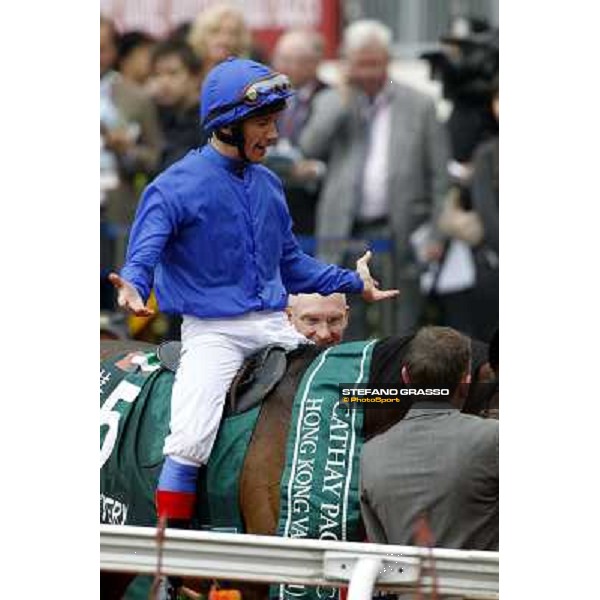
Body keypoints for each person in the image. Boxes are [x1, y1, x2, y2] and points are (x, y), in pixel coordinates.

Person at [109, 57, 399, 534]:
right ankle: (169, 563)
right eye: (263, 123)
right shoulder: (173, 186)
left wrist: (353, 282)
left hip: (275, 323)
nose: (273, 134)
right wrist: (134, 287)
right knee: (189, 436)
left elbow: (292, 266)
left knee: (337, 394)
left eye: (273, 122)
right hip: (213, 333)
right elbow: (141, 259)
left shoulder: (268, 182)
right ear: (228, 126)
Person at [299, 20, 450, 339]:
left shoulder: (420, 105)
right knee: (342, 323)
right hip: (342, 233)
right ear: (346, 63)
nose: (368, 72)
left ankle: (393, 389)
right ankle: (346, 389)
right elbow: (309, 148)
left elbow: (440, 175)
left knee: (399, 326)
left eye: (375, 63)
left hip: (400, 231)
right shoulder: (332, 100)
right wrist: (341, 99)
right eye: (360, 64)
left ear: (388, 60)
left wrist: (437, 232)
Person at [360, 326, 498, 550]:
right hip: (479, 584)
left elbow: (382, 556)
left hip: (400, 582)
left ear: (405, 377)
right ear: (466, 381)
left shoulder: (369, 454)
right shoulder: (493, 438)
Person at [100, 15, 163, 277]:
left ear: (114, 51)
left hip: (117, 208)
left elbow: (155, 156)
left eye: (100, 48)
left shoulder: (136, 97)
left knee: (114, 293)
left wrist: (125, 148)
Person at [265, 29, 329, 236]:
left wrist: (316, 170)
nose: (286, 67)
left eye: (297, 61)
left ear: (315, 63)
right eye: (282, 59)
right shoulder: (263, 95)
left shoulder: (332, 97)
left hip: (311, 205)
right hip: (269, 199)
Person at [148, 37, 207, 172]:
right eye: (157, 74)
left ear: (195, 77)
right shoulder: (156, 114)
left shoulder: (210, 123)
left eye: (172, 73)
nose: (163, 82)